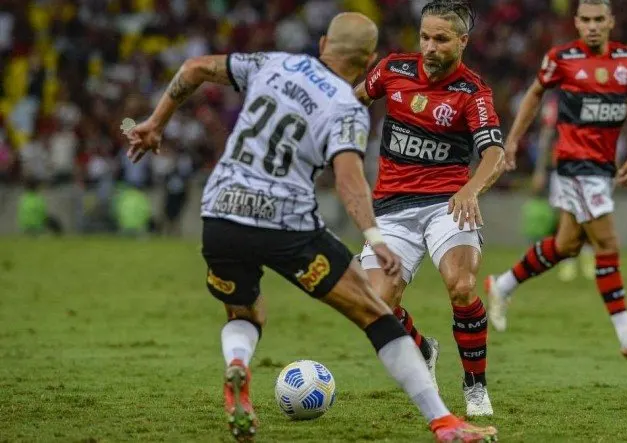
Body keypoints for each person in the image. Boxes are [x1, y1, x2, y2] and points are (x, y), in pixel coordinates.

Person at [123, 12, 497, 443]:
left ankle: (239, 362)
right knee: (376, 314)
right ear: (370, 59)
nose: (429, 47)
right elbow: (349, 180)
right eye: (424, 38)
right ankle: (444, 423)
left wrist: (155, 122)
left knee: (246, 311)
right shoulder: (346, 105)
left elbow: (193, 69)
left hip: (221, 214)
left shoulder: (273, 63)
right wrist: (374, 236)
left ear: (322, 43)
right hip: (289, 223)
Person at [484, 0, 627, 358]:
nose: (593, 26)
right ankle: (626, 332)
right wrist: (513, 141)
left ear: (611, 21)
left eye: (600, 19)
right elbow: (535, 95)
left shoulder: (626, 60)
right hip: (574, 165)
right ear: (577, 23)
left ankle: (502, 284)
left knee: (567, 245)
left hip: (603, 167)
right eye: (586, 20)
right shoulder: (561, 58)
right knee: (607, 244)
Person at [354, 0, 504, 416]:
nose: (430, 46)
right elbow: (353, 101)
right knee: (379, 304)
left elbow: (495, 155)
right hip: (392, 206)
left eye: (441, 39)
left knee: (461, 285)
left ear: (462, 41)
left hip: (448, 203)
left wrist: (471, 189)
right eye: (425, 37)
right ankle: (423, 348)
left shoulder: (472, 92)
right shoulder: (392, 70)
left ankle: (475, 387)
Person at [530, 92, 595, 282]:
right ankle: (568, 260)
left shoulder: (590, 98)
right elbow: (547, 135)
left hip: (587, 163)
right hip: (562, 165)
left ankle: (587, 255)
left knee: (587, 212)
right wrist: (541, 169)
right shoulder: (554, 102)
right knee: (564, 214)